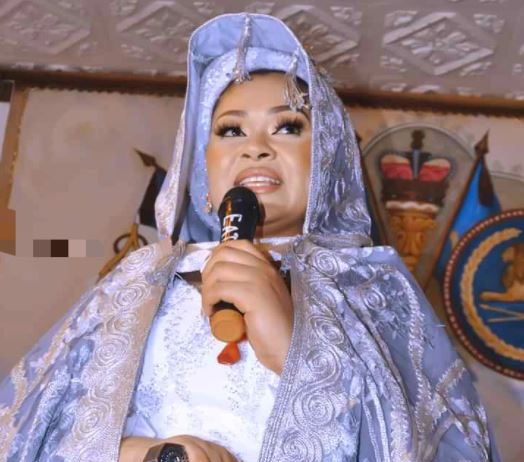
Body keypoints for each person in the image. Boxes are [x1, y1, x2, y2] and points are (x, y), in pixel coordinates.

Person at [0, 13, 499, 462]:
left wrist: (296, 352)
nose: (256, 148)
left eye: (288, 127)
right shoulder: (136, 282)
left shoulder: (377, 291)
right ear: (203, 169)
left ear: (328, 158)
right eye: (231, 131)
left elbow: (441, 448)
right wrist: (147, 455)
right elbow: (27, 434)